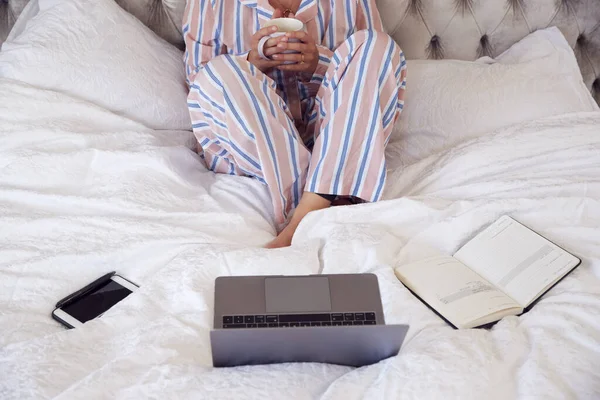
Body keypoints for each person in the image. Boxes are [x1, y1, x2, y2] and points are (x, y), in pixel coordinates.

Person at [183, 0, 407, 248]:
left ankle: (303, 216)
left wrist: (317, 63)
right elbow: (198, 79)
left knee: (377, 45)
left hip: (331, 132)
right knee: (220, 71)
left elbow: (368, 72)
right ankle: (326, 194)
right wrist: (252, 61)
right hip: (255, 136)